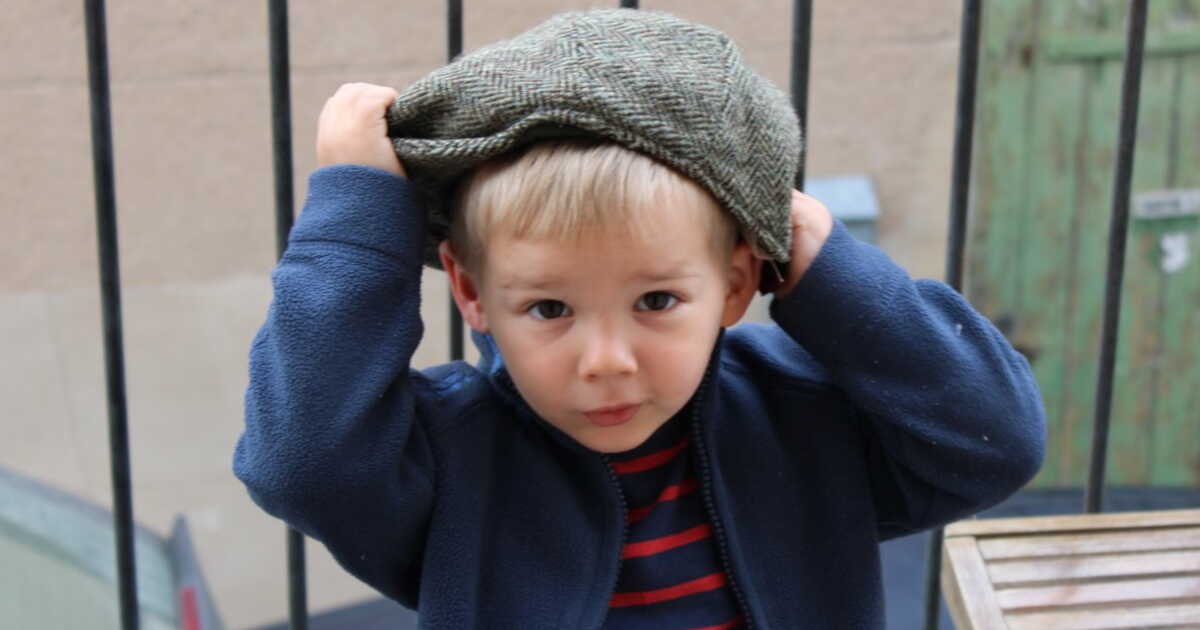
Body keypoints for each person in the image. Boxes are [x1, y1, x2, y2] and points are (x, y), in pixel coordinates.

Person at [235, 9, 1045, 629]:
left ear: (736, 284)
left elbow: (994, 441)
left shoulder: (799, 418)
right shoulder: (453, 456)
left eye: (656, 301)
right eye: (549, 307)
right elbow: (302, 463)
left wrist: (827, 270)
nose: (606, 360)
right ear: (472, 292)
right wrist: (355, 218)